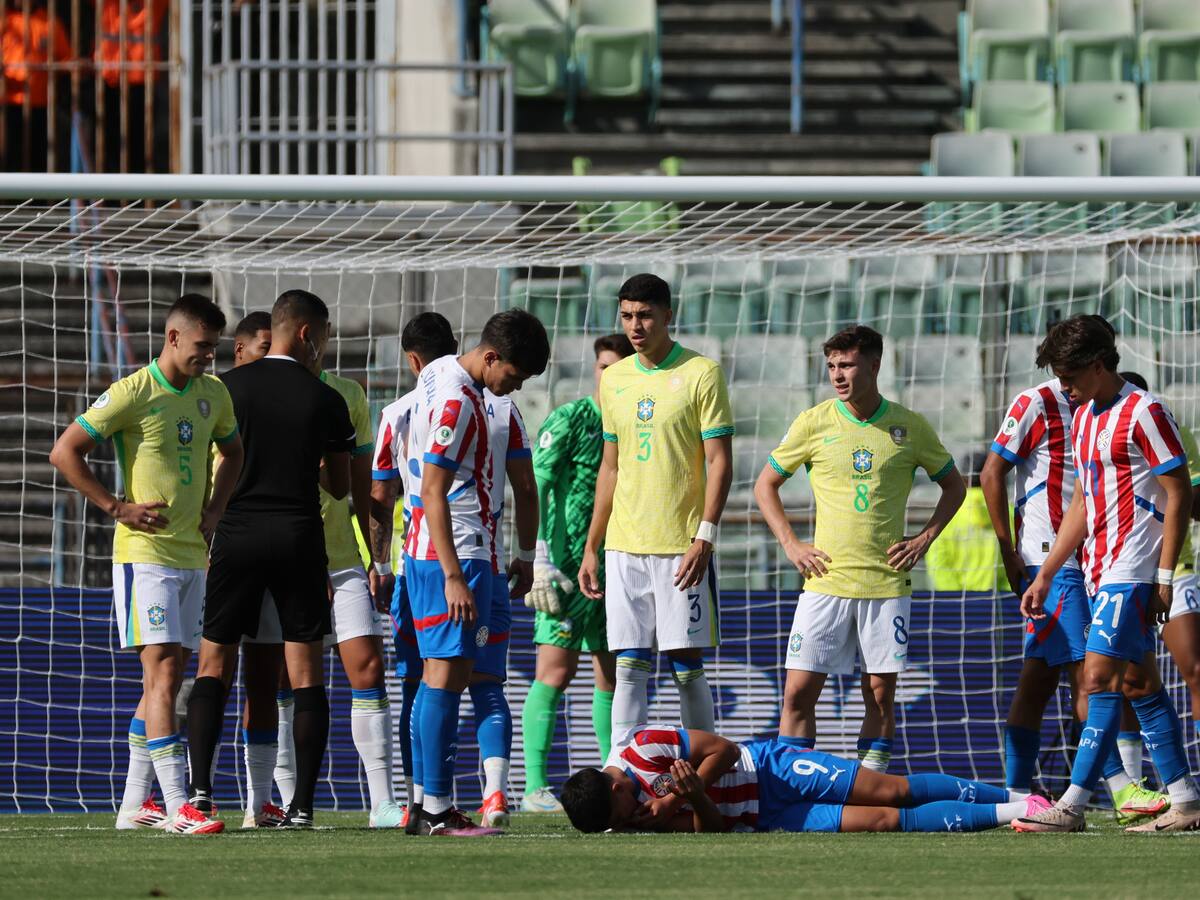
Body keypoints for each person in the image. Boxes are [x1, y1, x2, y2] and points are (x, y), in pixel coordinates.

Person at [49, 294, 242, 834]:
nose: (209, 356)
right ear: (174, 337)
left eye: (214, 347)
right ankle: (181, 805)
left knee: (169, 677)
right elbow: (65, 451)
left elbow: (234, 452)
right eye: (203, 346)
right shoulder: (133, 391)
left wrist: (215, 510)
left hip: (191, 555)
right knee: (160, 675)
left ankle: (135, 806)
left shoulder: (214, 393)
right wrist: (117, 507)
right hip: (145, 557)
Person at [1013, 315, 1200, 833]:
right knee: (1138, 683)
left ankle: (1071, 806)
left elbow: (1180, 492)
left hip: (1135, 566)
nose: (1063, 386)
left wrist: (1163, 577)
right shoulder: (1087, 416)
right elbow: (1083, 502)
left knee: (1096, 678)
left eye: (1069, 375)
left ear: (1099, 364)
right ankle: (1186, 801)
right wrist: (1048, 572)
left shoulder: (1146, 411)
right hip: (1097, 567)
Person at [754, 325, 965, 773]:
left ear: (874, 364)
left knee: (880, 694)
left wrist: (925, 538)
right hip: (825, 579)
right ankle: (795, 787)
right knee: (797, 693)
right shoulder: (813, 422)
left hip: (886, 581)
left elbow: (954, 486)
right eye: (831, 365)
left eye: (846, 364)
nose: (837, 374)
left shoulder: (909, 426)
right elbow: (765, 485)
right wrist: (791, 544)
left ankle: (869, 789)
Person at [185, 289, 356, 830]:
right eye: (324, 336)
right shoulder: (326, 398)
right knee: (305, 675)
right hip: (299, 536)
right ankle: (302, 805)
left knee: (214, 666)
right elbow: (338, 485)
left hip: (235, 534)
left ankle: (202, 794)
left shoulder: (225, 388)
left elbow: (211, 461)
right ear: (306, 333)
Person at [980, 353, 1168, 823]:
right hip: (1051, 554)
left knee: (1040, 678)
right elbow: (990, 472)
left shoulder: (1105, 409)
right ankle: (1121, 789)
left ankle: (1018, 795)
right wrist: (1010, 551)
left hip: (1091, 557)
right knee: (1092, 669)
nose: (1068, 382)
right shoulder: (1038, 402)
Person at [401, 309, 549, 836]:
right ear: (491, 357)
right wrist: (454, 576)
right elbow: (433, 489)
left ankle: (424, 803)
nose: (514, 387)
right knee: (447, 677)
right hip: (458, 552)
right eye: (513, 375)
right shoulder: (463, 400)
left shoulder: (436, 373)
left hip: (431, 550)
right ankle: (436, 810)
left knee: (436, 678)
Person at [578, 273, 734, 750]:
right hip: (625, 545)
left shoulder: (701, 373)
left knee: (686, 666)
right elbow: (610, 467)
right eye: (626, 315)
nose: (635, 325)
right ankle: (623, 767)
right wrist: (592, 546)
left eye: (645, 315)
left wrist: (704, 535)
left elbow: (720, 460)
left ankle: (706, 772)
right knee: (627, 667)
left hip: (680, 546)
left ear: (668, 315)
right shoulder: (616, 379)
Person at [521, 332, 634, 814]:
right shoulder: (571, 418)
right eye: (602, 367)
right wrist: (540, 557)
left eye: (617, 368)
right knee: (556, 669)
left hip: (618, 564)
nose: (608, 376)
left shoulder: (634, 425)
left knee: (612, 673)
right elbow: (537, 486)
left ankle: (615, 774)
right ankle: (534, 788)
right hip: (566, 567)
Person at [560, 725, 1050, 834]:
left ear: (619, 787)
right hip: (765, 816)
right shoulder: (627, 820)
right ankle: (1019, 816)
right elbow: (711, 831)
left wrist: (691, 788)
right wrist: (687, 805)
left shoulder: (645, 747)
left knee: (892, 789)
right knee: (881, 821)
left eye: (623, 814)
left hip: (769, 768)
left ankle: (1021, 798)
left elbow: (726, 750)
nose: (627, 823)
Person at [370, 312, 458, 824]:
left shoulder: (396, 413)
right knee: (465, 681)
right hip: (468, 558)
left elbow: (380, 493)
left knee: (416, 683)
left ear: (412, 359)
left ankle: (417, 799)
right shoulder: (486, 401)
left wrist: (379, 563)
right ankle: (446, 801)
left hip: (410, 564)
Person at [1120, 369, 1200, 783]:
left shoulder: (1171, 430)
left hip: (1176, 569)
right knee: (1127, 678)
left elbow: (1195, 500)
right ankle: (1134, 785)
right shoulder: (1097, 428)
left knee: (1195, 669)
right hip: (1122, 571)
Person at [925, 451, 1006, 592]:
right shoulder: (1006, 512)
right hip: (998, 602)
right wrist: (1006, 590)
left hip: (957, 603)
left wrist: (953, 594)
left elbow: (937, 560)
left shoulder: (947, 511)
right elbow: (1016, 555)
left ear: (962, 478)